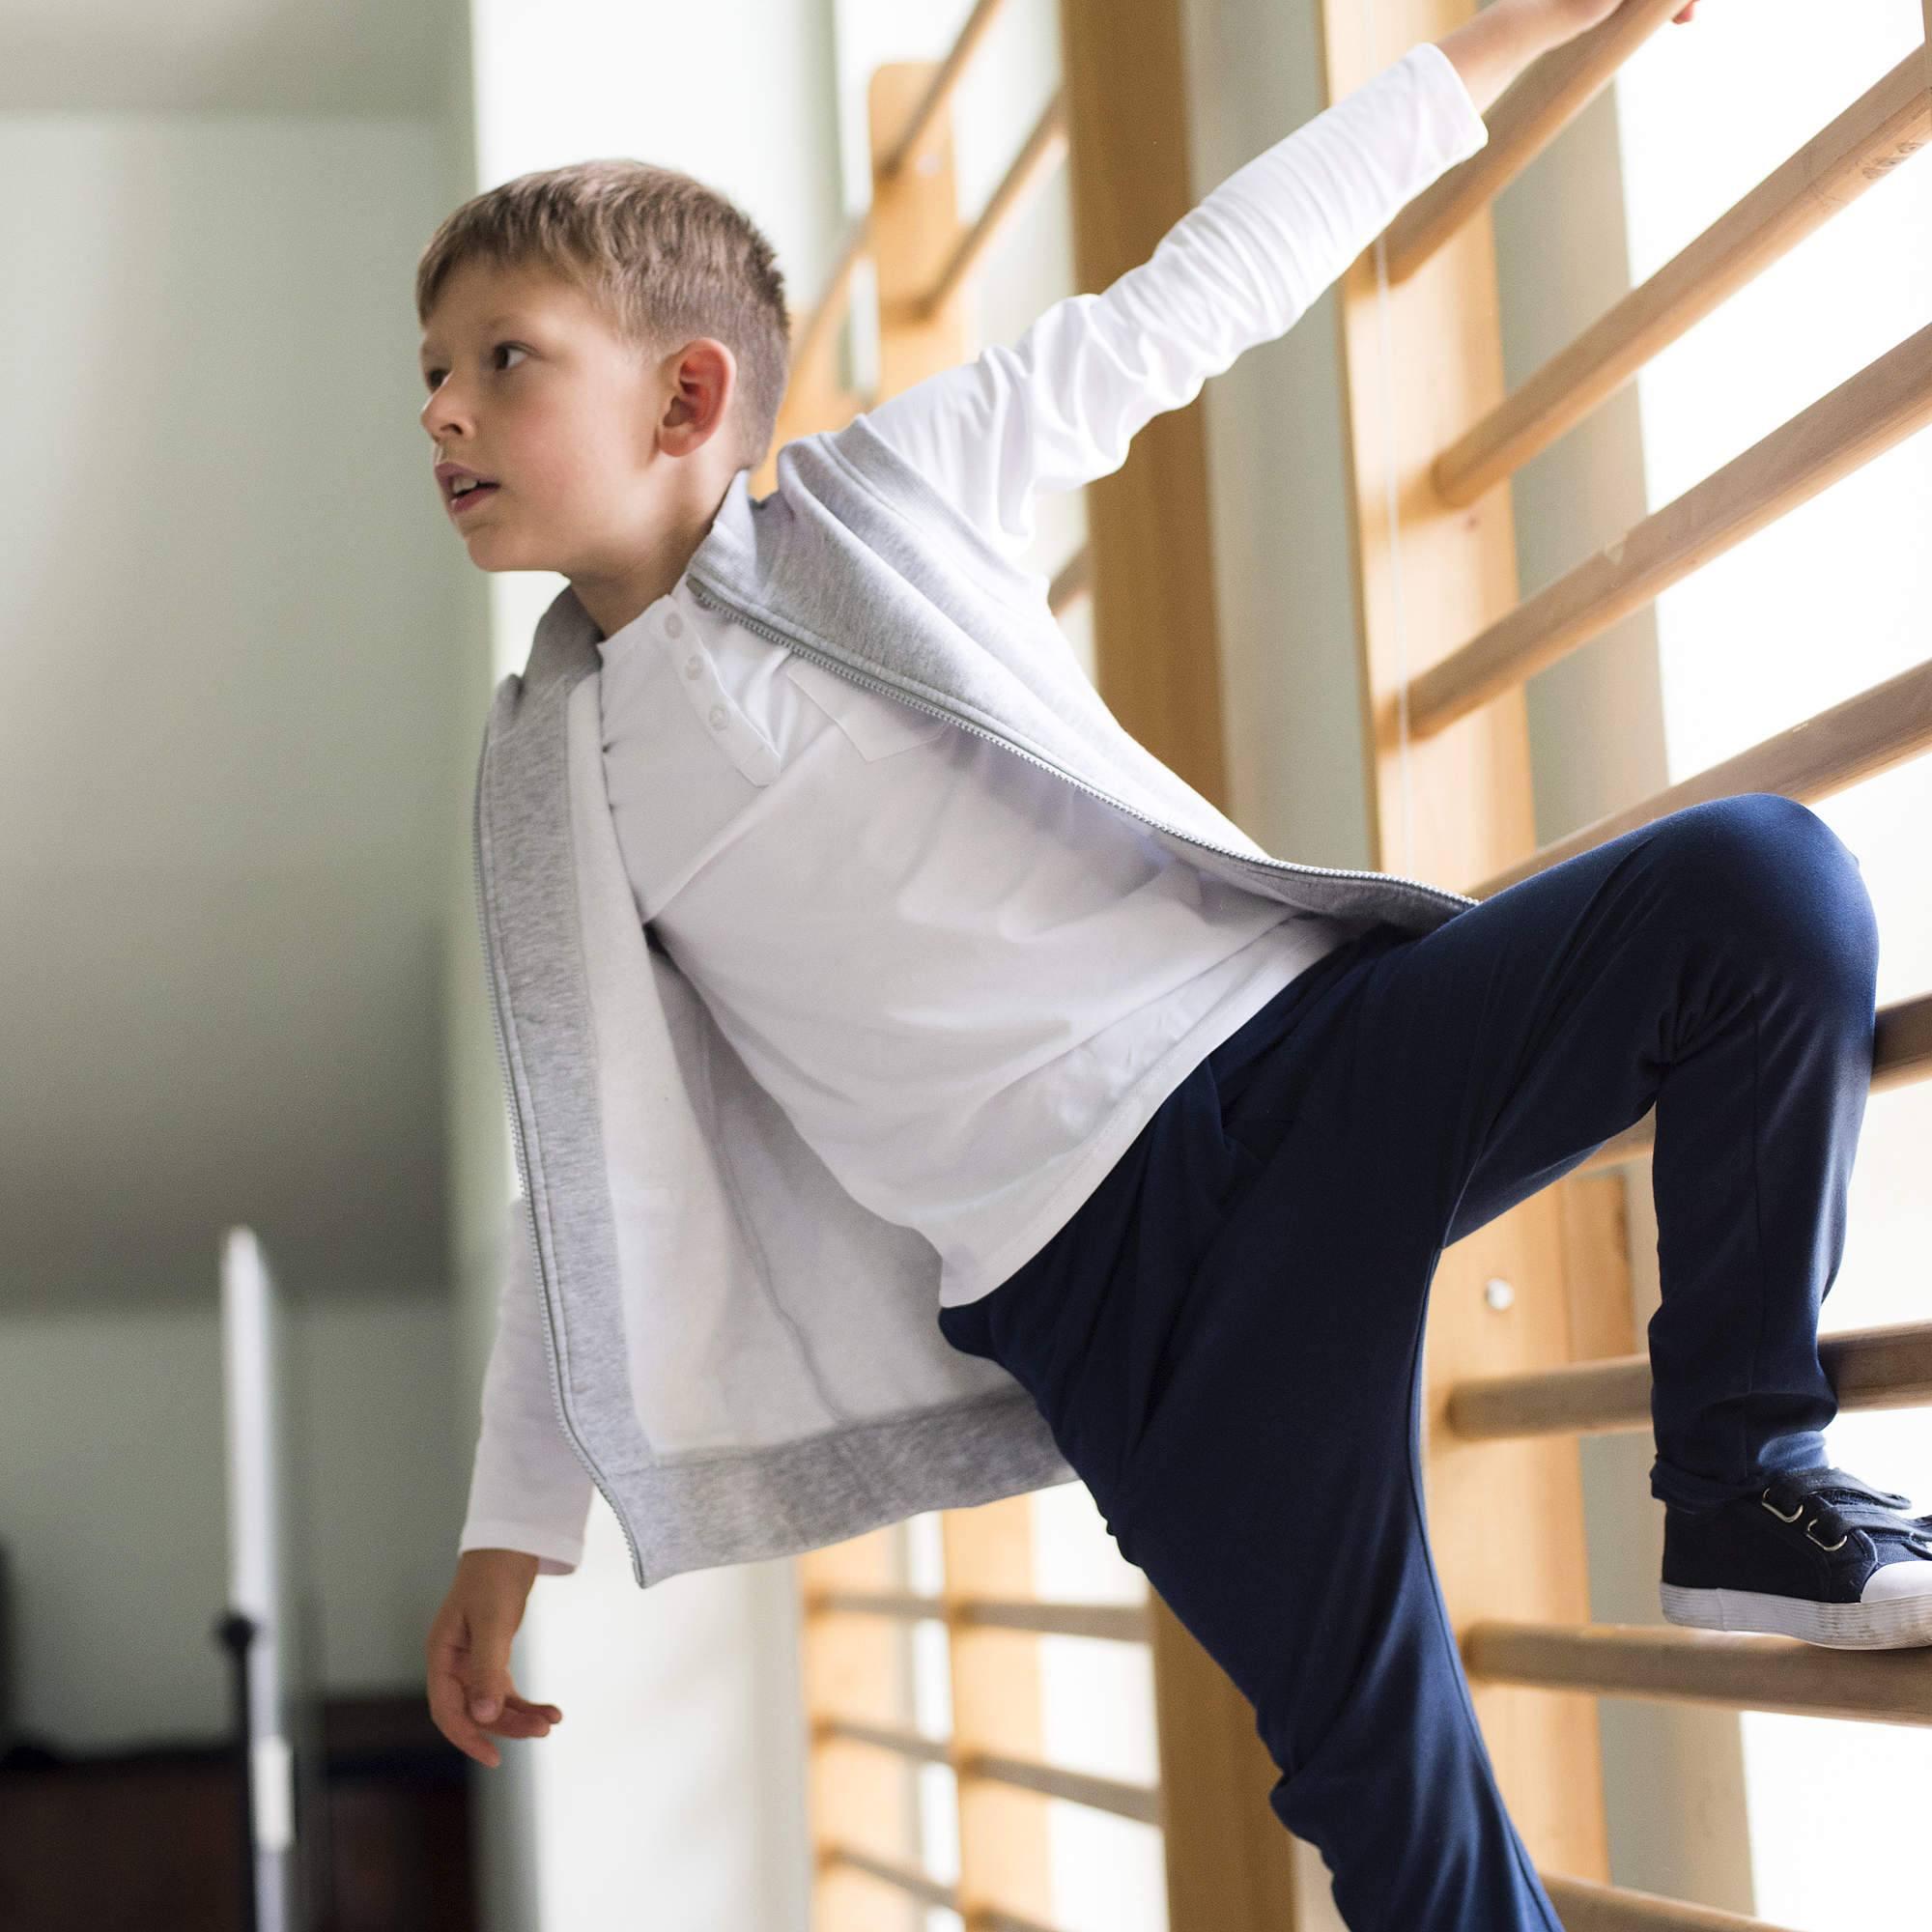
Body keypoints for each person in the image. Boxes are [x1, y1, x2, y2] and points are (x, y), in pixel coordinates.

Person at [420, 0, 1930, 1922]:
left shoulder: (881, 504)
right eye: (433, 374)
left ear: (687, 394)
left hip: (1312, 1068)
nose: (441, 410)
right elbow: (591, 1176)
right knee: (1410, 1827)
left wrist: (1489, 52)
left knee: (1761, 885)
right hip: (1125, 1316)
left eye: (497, 362)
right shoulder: (555, 781)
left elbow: (1184, 301)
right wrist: (511, 1524)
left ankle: (1742, 1471)